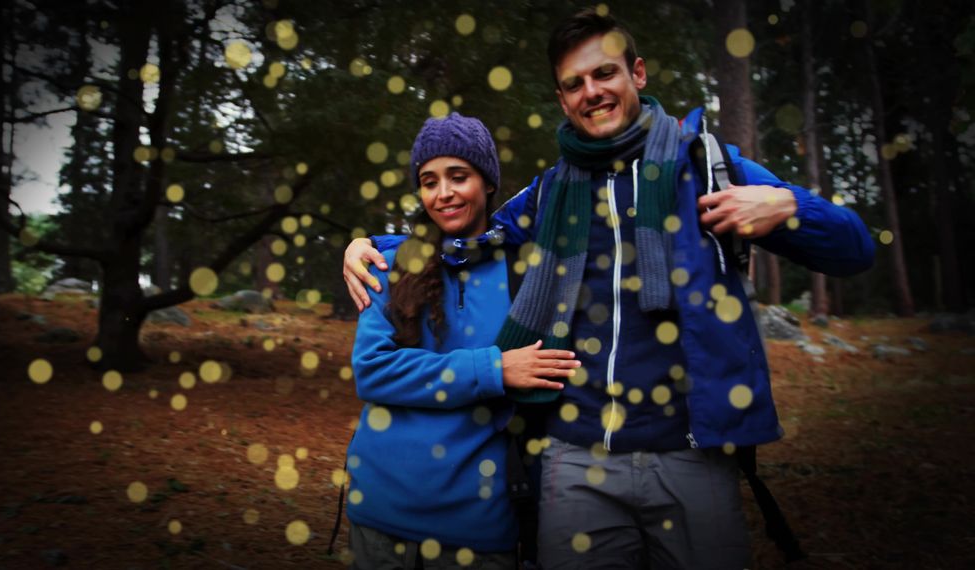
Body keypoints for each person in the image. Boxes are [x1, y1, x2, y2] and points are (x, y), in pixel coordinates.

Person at [343, 10, 875, 570]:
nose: (591, 92)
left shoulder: (708, 168)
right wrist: (368, 244)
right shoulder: (550, 195)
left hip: (690, 455)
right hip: (577, 460)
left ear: (637, 73)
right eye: (575, 84)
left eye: (605, 74)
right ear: (561, 98)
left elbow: (855, 250)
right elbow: (467, 234)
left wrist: (791, 207)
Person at [346, 112, 580, 569]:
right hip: (378, 515)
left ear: (488, 182)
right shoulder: (387, 266)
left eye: (459, 176)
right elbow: (373, 371)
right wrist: (493, 369)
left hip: (479, 529)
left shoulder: (522, 274)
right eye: (429, 181)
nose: (444, 193)